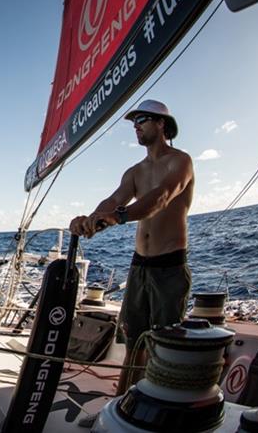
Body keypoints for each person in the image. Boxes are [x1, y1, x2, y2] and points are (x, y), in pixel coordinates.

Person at [69, 99, 194, 398]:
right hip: (139, 266)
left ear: (161, 123)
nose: (136, 126)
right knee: (133, 344)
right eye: (134, 122)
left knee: (162, 348)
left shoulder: (181, 161)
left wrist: (120, 216)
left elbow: (162, 197)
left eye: (142, 120)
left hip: (169, 267)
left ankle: (156, 411)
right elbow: (114, 200)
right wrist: (91, 219)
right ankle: (122, 405)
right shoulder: (134, 171)